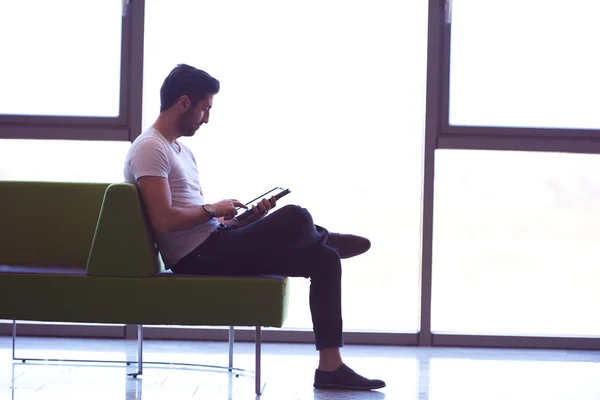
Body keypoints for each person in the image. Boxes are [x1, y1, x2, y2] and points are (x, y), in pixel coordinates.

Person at [123, 64, 386, 391]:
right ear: (184, 103)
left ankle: (330, 368)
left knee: (325, 259)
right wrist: (212, 209)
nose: (206, 118)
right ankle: (318, 235)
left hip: (214, 241)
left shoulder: (181, 151)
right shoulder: (150, 148)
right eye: (205, 108)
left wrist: (238, 219)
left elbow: (199, 219)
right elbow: (164, 219)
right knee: (295, 216)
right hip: (197, 257)